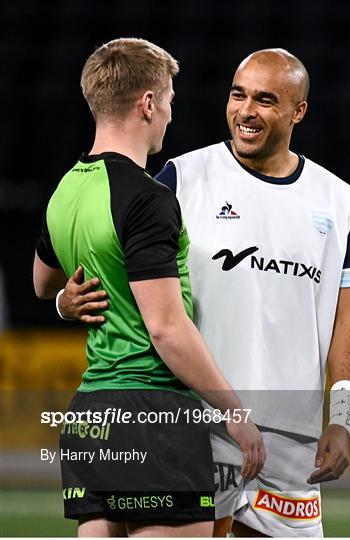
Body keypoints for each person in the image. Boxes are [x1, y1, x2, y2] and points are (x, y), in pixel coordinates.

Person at [57, 48, 350, 538]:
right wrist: (63, 300)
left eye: (266, 100)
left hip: (290, 444)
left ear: (298, 112)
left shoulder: (337, 199)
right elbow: (112, 267)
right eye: (238, 94)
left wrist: (342, 420)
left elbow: (348, 321)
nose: (246, 110)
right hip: (194, 426)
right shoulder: (181, 178)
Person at [33, 38, 265, 538]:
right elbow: (165, 328)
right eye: (170, 102)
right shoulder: (146, 198)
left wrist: (62, 304)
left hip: (92, 417)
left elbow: (42, 281)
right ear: (148, 103)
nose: (170, 117)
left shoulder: (65, 191)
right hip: (153, 412)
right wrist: (235, 413)